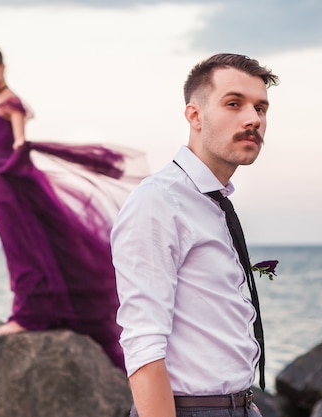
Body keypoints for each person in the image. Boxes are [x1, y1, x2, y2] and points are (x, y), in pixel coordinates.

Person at [111, 53, 279, 417]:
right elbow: (142, 344)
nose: (253, 119)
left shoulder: (212, 202)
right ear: (194, 116)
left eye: (261, 108)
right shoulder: (160, 201)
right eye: (234, 104)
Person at [0, 45, 147, 371]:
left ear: (2, 67)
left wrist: (7, 169)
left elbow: (20, 145)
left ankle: (27, 315)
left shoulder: (10, 103)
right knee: (21, 246)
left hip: (11, 184)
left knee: (23, 246)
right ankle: (33, 310)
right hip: (0, 184)